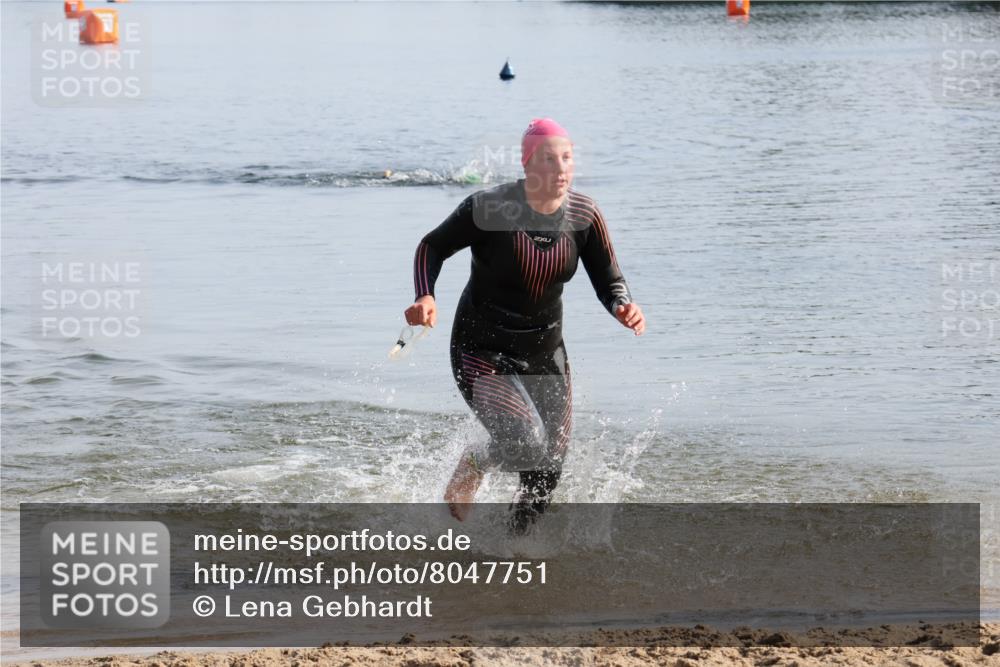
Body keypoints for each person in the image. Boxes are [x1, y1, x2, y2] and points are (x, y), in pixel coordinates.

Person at [404, 118, 645, 531]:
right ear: (528, 165)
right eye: (549, 160)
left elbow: (609, 279)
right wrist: (425, 295)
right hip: (481, 349)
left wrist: (622, 305)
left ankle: (516, 550)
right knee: (524, 440)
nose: (561, 169)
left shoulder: (584, 216)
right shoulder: (491, 209)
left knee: (548, 465)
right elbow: (432, 246)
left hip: (545, 351)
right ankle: (474, 462)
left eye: (567, 158)